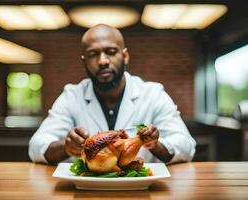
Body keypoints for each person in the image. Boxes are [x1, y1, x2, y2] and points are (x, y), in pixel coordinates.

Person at [28, 24, 196, 165]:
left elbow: (186, 146)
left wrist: (155, 145)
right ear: (84, 61)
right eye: (93, 54)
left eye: (110, 51)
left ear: (125, 56)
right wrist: (66, 147)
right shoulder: (72, 95)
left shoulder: (152, 93)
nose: (102, 61)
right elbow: (36, 147)